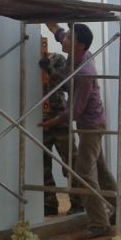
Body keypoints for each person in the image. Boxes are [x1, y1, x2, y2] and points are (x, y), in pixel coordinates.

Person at [40, 19, 121, 237]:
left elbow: (75, 110)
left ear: (79, 45)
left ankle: (99, 223)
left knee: (83, 173)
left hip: (91, 126)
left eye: (69, 38)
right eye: (66, 36)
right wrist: (48, 17)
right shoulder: (78, 51)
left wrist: (52, 121)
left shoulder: (84, 73)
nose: (64, 39)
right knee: (101, 170)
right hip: (91, 123)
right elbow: (57, 30)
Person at [39, 52, 83, 216]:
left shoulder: (57, 59)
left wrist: (49, 69)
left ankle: (78, 203)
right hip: (39, 122)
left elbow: (67, 84)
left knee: (71, 164)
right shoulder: (24, 61)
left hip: (59, 120)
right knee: (43, 167)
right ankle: (49, 203)